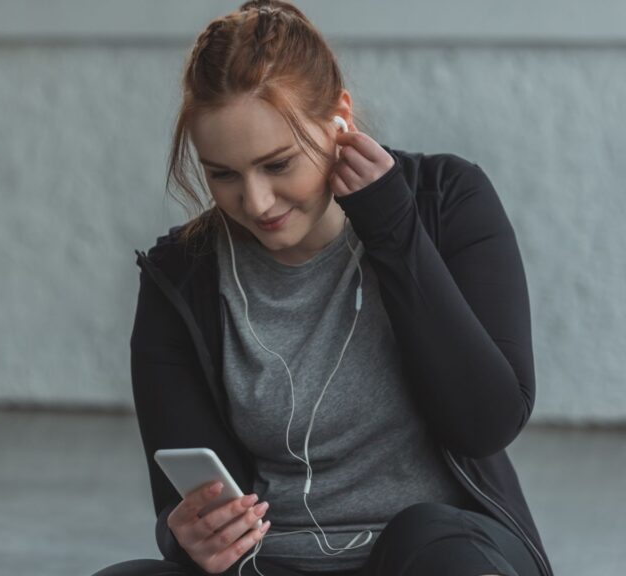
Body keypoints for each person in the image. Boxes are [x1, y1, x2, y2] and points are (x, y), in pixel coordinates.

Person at [90, 1, 554, 576]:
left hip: (439, 554)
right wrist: (187, 533)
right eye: (224, 175)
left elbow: (486, 422)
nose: (256, 202)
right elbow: (184, 501)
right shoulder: (179, 277)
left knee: (433, 540)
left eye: (278, 164)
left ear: (340, 119)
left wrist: (392, 227)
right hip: (274, 561)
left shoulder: (445, 200)